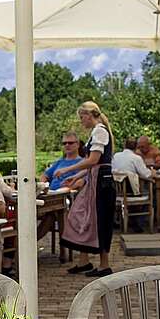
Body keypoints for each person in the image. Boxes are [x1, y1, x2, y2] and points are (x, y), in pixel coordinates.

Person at [55, 101, 116, 277]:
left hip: (102, 184)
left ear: (89, 115)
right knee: (80, 216)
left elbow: (93, 161)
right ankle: (84, 260)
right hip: (95, 181)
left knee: (100, 221)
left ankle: (104, 265)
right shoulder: (95, 132)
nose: (81, 121)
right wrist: (77, 177)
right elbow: (92, 165)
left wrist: (68, 169)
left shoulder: (100, 131)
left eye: (82, 117)